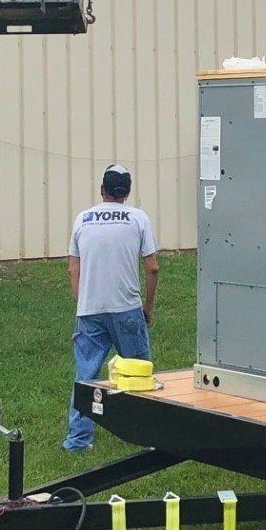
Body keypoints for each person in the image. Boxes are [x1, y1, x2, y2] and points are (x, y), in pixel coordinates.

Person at [64, 163, 159, 452]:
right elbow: (152, 267)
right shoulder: (138, 219)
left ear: (102, 190)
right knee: (139, 374)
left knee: (87, 376)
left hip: (89, 310)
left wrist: (83, 302)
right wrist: (148, 306)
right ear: (127, 191)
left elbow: (73, 268)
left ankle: (78, 440)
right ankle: (146, 436)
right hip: (127, 308)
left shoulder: (83, 219)